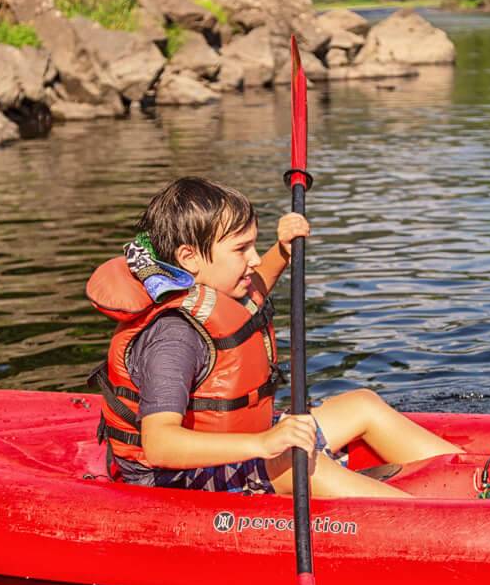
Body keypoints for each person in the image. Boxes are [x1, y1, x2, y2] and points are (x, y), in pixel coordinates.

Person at [88, 177, 460, 501]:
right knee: (295, 465)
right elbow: (160, 445)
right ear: (189, 258)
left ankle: (475, 479)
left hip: (232, 451)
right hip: (177, 481)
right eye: (240, 249)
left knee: (362, 404)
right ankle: (440, 524)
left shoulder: (215, 290)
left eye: (254, 245)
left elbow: (253, 290)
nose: (252, 259)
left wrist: (282, 249)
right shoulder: (174, 337)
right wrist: (263, 444)